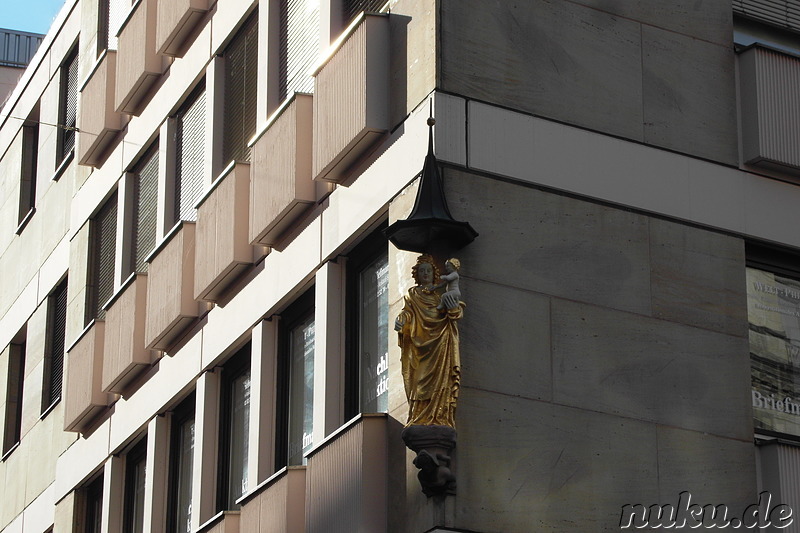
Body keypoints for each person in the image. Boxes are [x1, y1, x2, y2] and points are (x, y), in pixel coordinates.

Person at [395, 254, 463, 428]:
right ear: (417, 274)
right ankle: (418, 417)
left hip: (440, 342)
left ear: (434, 274)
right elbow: (407, 313)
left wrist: (452, 308)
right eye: (422, 271)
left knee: (441, 379)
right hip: (419, 347)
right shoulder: (412, 295)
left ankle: (440, 415)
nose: (425, 274)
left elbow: (454, 314)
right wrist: (402, 320)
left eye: (428, 270)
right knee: (419, 382)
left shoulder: (440, 295)